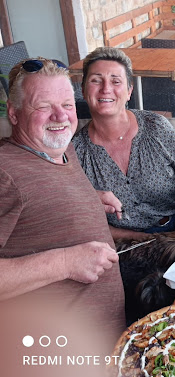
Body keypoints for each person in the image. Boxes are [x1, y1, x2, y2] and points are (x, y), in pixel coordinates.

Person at [0, 58, 125, 349]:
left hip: (107, 344)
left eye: (67, 105)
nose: (60, 116)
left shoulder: (62, 148)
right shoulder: (4, 172)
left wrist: (87, 199)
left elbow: (35, 199)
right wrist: (65, 263)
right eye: (43, 106)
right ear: (14, 113)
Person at [72, 47, 175, 241]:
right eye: (96, 80)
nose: (106, 88)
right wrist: (141, 240)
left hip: (174, 233)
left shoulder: (157, 128)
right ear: (83, 90)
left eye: (116, 81)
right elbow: (85, 219)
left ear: (129, 92)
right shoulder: (76, 151)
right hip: (121, 243)